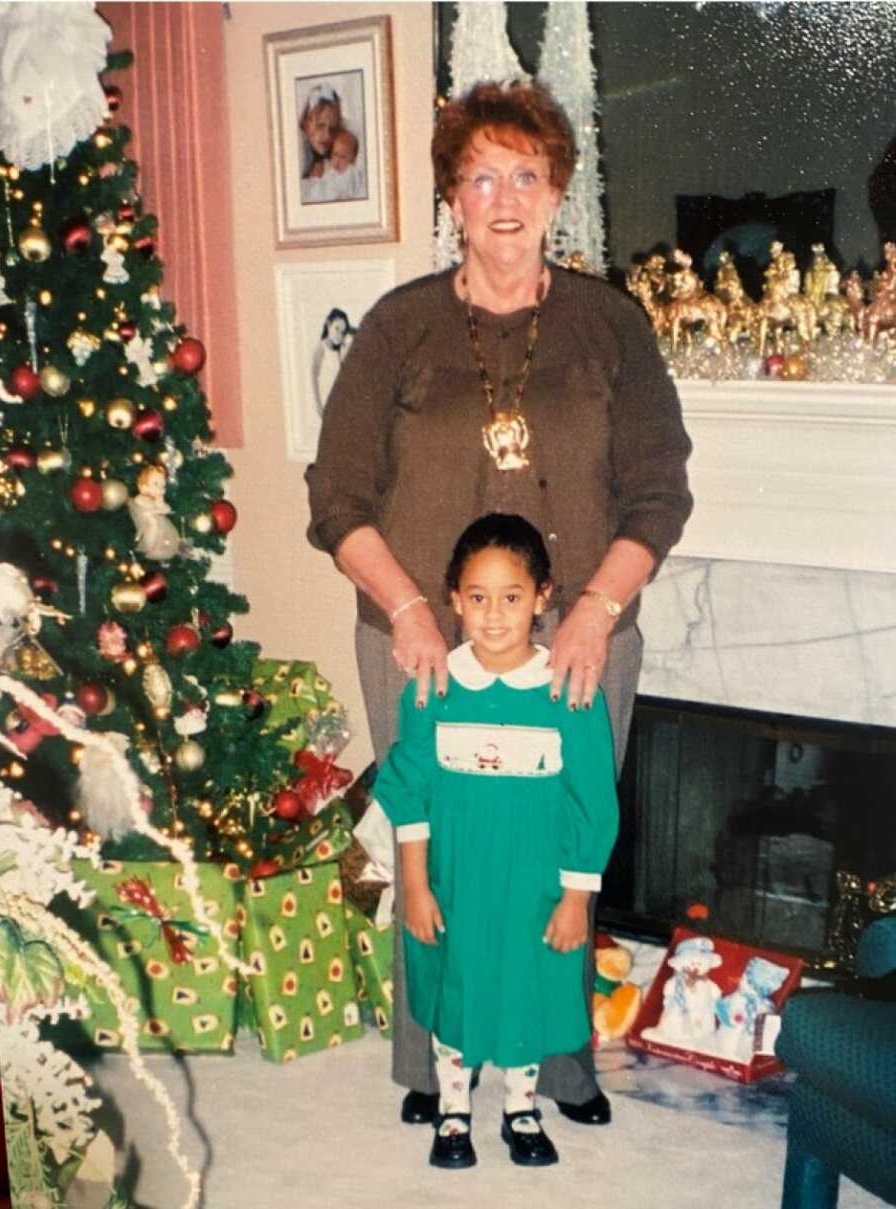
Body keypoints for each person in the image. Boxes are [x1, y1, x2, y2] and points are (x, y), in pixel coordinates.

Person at [307, 79, 693, 1131]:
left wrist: (596, 608)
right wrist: (405, 606)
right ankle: (432, 1057)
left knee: (558, 843)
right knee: (432, 840)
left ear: (559, 191)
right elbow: (333, 494)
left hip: (576, 644)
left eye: (528, 174)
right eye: (483, 176)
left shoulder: (612, 325)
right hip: (420, 642)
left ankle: (561, 1057)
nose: (507, 198)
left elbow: (661, 487)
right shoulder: (400, 328)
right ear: (454, 197)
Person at [372, 513, 620, 1169]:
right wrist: (416, 884)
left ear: (543, 598)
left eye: (512, 597)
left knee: (525, 993)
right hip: (457, 882)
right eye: (477, 597)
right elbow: (410, 794)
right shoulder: (435, 687)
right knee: (458, 989)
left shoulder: (570, 691)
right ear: (453, 600)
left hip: (536, 889)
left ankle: (520, 1107)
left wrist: (575, 898)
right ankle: (454, 1111)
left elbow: (592, 803)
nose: (494, 615)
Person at [311, 307, 355, 417]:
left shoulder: (341, 350)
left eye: (342, 332)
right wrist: (318, 404)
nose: (339, 335)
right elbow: (313, 375)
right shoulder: (321, 348)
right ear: (328, 324)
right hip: (326, 403)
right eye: (337, 329)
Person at [303, 128, 366, 205]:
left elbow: (351, 189)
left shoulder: (351, 171)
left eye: (343, 157)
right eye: (335, 154)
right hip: (318, 190)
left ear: (352, 160)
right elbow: (316, 176)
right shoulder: (327, 164)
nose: (337, 160)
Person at [299, 82, 341, 184]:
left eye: (333, 129)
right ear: (306, 123)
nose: (327, 135)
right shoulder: (300, 151)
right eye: (320, 125)